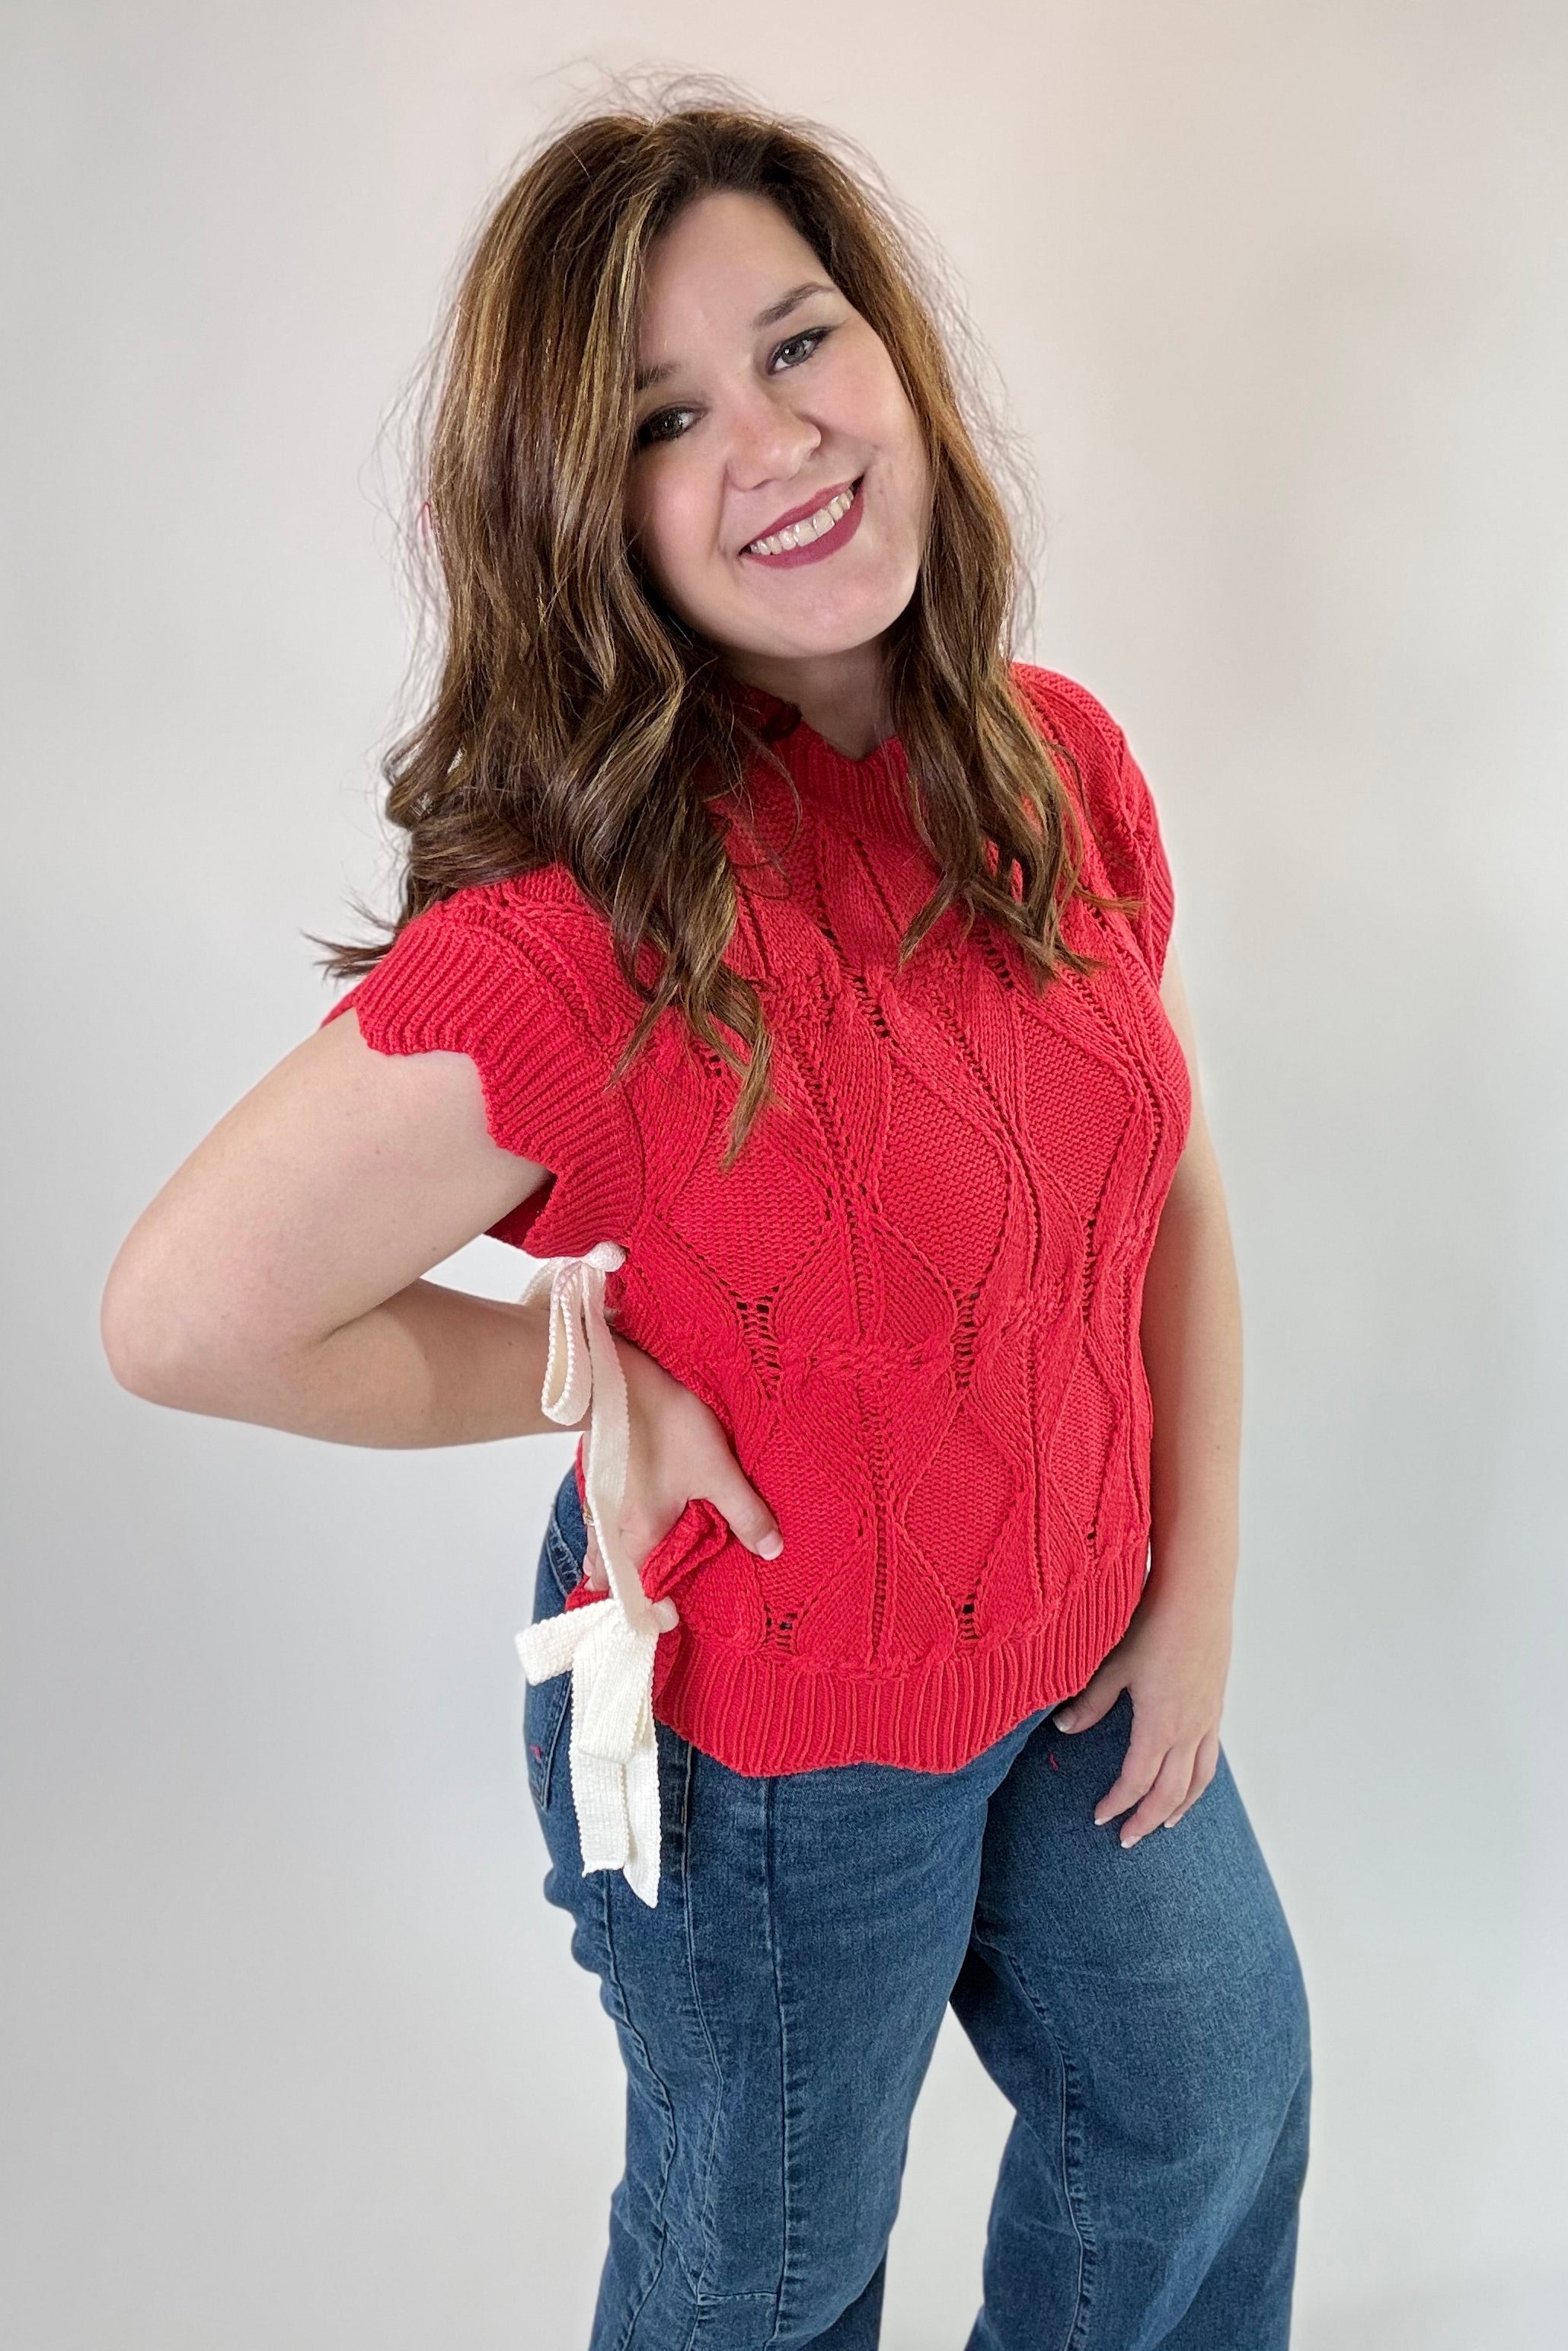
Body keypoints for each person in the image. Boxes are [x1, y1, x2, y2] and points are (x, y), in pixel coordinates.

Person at [101, 85, 1311, 2351]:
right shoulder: (587, 942)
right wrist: (593, 1375)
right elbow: (185, 1313)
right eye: (666, 418)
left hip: (1084, 1642)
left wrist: (1201, 1581)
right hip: (777, 1758)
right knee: (763, 2277)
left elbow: (1154, 1173)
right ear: (587, 515)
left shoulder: (1050, 759)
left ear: (894, 359)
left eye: (798, 340)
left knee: (1205, 2108)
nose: (775, 438)